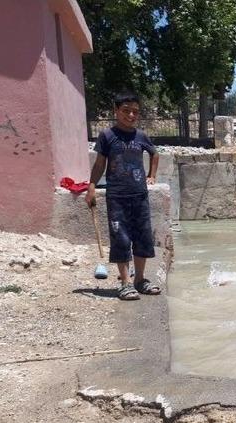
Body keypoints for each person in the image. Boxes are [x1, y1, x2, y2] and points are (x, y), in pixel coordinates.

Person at [85, 92, 160, 301]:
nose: (131, 115)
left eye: (135, 111)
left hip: (140, 195)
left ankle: (141, 280)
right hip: (117, 196)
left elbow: (155, 154)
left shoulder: (141, 136)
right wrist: (91, 187)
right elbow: (100, 164)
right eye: (126, 111)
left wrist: (152, 176)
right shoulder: (107, 136)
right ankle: (125, 283)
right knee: (121, 237)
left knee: (143, 236)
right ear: (116, 111)